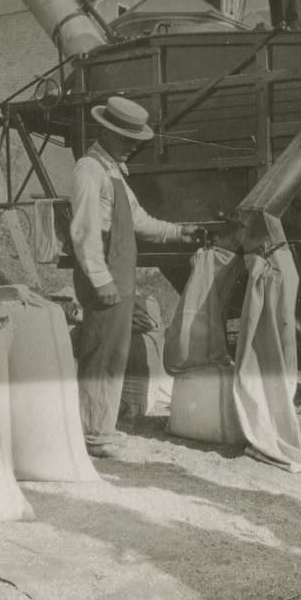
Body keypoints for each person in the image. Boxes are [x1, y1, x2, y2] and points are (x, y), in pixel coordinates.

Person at [70, 96, 199, 459]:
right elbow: (84, 232)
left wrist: (179, 232)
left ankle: (101, 427)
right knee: (100, 354)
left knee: (114, 355)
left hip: (119, 276)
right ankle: (93, 434)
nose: (131, 146)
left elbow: (139, 220)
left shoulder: (114, 173)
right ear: (105, 132)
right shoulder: (90, 170)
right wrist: (101, 280)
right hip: (106, 279)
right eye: (125, 138)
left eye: (134, 140)